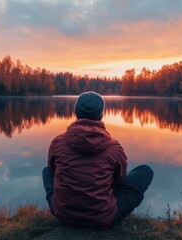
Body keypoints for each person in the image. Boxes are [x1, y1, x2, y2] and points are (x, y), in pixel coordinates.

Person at [42, 91, 153, 229]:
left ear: (76, 113)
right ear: (101, 115)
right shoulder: (114, 147)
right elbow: (119, 179)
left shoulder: (58, 142)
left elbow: (53, 171)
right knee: (145, 171)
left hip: (63, 216)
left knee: (47, 171)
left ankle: (68, 206)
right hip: (103, 219)